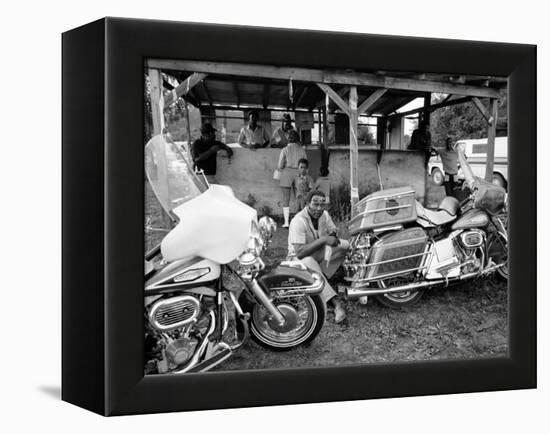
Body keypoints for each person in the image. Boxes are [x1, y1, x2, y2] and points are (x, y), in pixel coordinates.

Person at [287, 190, 349, 323]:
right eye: (315, 204)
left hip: (317, 253)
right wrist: (324, 240)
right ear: (307, 203)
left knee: (345, 245)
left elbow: (333, 230)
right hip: (297, 261)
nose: (319, 208)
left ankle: (323, 276)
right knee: (308, 261)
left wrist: (332, 236)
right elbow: (299, 252)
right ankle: (335, 301)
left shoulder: (324, 215)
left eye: (322, 204)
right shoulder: (298, 221)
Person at [276, 129, 307, 227]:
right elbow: (305, 163)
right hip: (299, 173)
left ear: (288, 139)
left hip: (287, 173)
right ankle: (302, 220)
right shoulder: (302, 150)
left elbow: (280, 165)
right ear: (298, 138)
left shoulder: (284, 150)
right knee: (300, 196)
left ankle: (286, 222)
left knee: (286, 199)